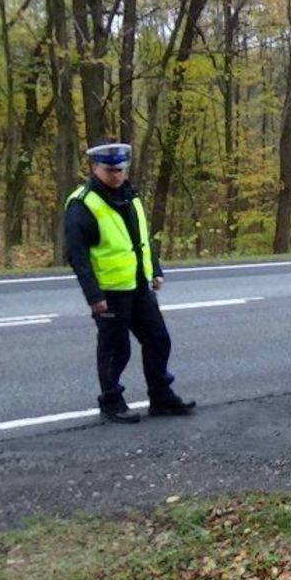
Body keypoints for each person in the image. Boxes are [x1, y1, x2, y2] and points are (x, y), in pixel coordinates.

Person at [64, 140, 195, 424]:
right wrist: (93, 296)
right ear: (95, 168)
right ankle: (111, 401)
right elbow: (77, 256)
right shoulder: (82, 203)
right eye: (110, 170)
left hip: (138, 287)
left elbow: (142, 240)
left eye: (120, 169)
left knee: (158, 340)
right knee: (115, 349)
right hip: (109, 292)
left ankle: (160, 396)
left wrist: (155, 270)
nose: (116, 175)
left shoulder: (130, 196)